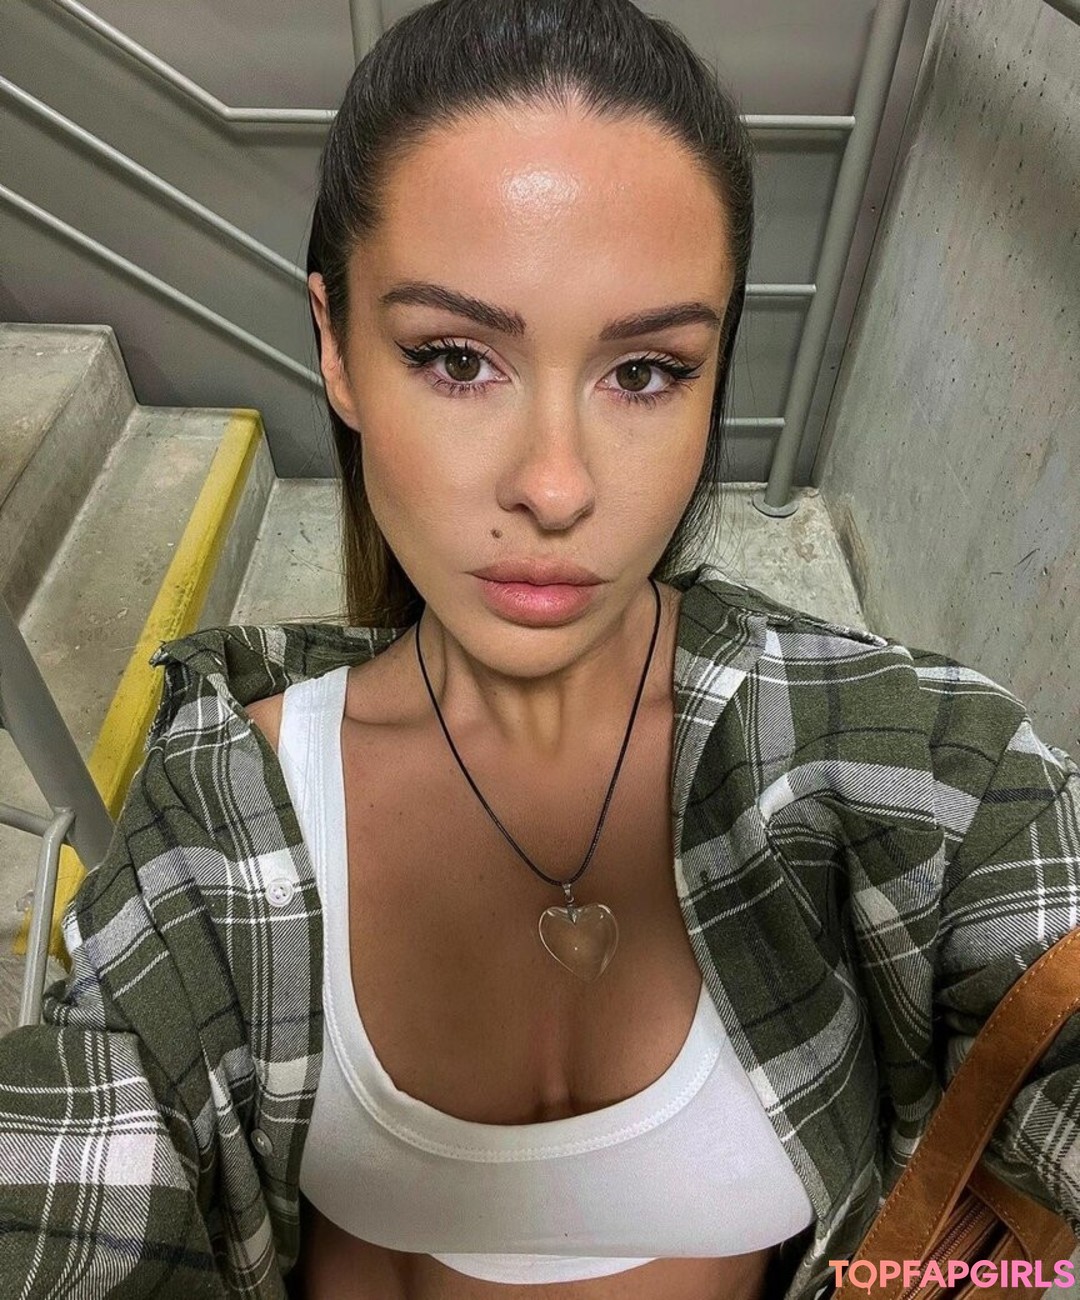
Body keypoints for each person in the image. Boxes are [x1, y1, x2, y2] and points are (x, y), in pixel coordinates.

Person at [1, 1, 1077, 1298]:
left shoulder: (906, 762)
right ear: (336, 347)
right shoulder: (218, 834)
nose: (557, 486)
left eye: (645, 372)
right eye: (457, 359)